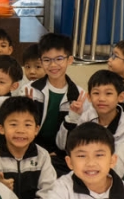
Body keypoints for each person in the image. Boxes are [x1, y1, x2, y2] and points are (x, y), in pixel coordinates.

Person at [0, 96, 56, 199]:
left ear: (36, 130)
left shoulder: (42, 156)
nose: (20, 130)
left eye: (27, 125)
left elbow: (49, 191)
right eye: (13, 124)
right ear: (1, 129)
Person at [29, 34, 83, 175]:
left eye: (59, 59)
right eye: (47, 60)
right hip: (31, 149)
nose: (53, 65)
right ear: (41, 61)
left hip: (61, 154)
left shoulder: (78, 96)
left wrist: (58, 153)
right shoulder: (30, 89)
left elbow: (77, 136)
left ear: (69, 60)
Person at [59, 70, 124, 151]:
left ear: (121, 97)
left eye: (108, 93)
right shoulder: (87, 116)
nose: (101, 99)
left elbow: (118, 157)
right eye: (96, 93)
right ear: (89, 97)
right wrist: (73, 117)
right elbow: (65, 146)